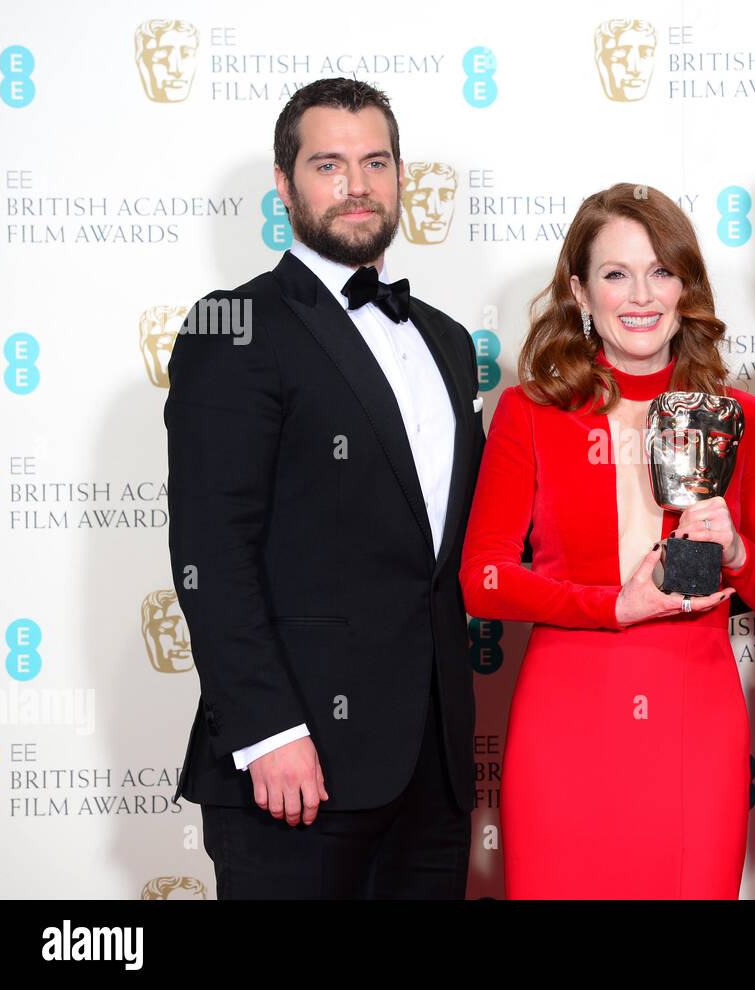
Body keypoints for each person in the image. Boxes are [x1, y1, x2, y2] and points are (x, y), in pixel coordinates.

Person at [166, 77, 484, 899]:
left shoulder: (445, 342)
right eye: (329, 164)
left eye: (376, 162)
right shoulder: (233, 326)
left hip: (433, 768)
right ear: (285, 185)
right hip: (295, 766)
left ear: (401, 177)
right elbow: (211, 548)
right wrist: (268, 730)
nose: (357, 186)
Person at [461, 183, 755, 898]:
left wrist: (739, 553)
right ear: (581, 295)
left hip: (695, 730)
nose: (640, 295)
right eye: (616, 274)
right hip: (564, 726)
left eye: (661, 271)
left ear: (685, 287)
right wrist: (612, 605)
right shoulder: (530, 412)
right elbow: (482, 579)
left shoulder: (741, 416)